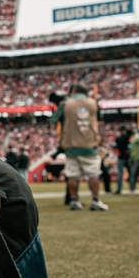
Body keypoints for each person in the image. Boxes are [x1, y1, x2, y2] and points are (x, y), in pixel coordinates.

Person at [51, 83, 108, 211]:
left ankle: (74, 201)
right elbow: (100, 117)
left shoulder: (66, 104)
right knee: (93, 174)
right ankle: (95, 200)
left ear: (74, 91)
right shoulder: (93, 103)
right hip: (89, 144)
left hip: (71, 145)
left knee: (73, 175)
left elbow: (54, 119)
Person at [113, 125, 132, 195]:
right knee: (131, 173)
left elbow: (115, 147)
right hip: (127, 157)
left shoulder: (118, 138)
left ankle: (119, 189)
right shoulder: (127, 137)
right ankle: (131, 189)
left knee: (120, 174)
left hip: (121, 157)